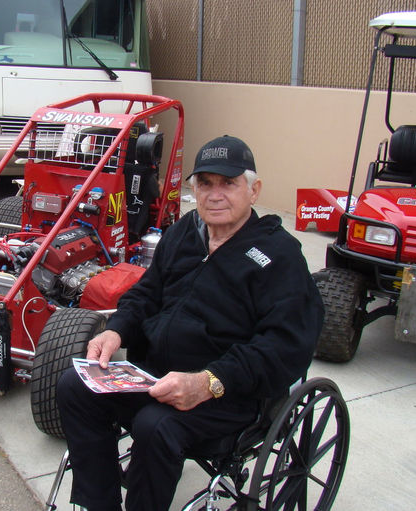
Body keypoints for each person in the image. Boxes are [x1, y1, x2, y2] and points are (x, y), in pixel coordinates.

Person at [56, 135, 324, 511]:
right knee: (74, 387)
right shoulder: (184, 233)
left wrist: (208, 382)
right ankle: (100, 504)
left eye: (228, 183)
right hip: (154, 378)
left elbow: (285, 346)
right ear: (194, 189)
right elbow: (146, 294)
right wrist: (117, 330)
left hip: (227, 395)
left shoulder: (279, 256)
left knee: (155, 425)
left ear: (253, 190)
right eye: (205, 183)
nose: (215, 195)